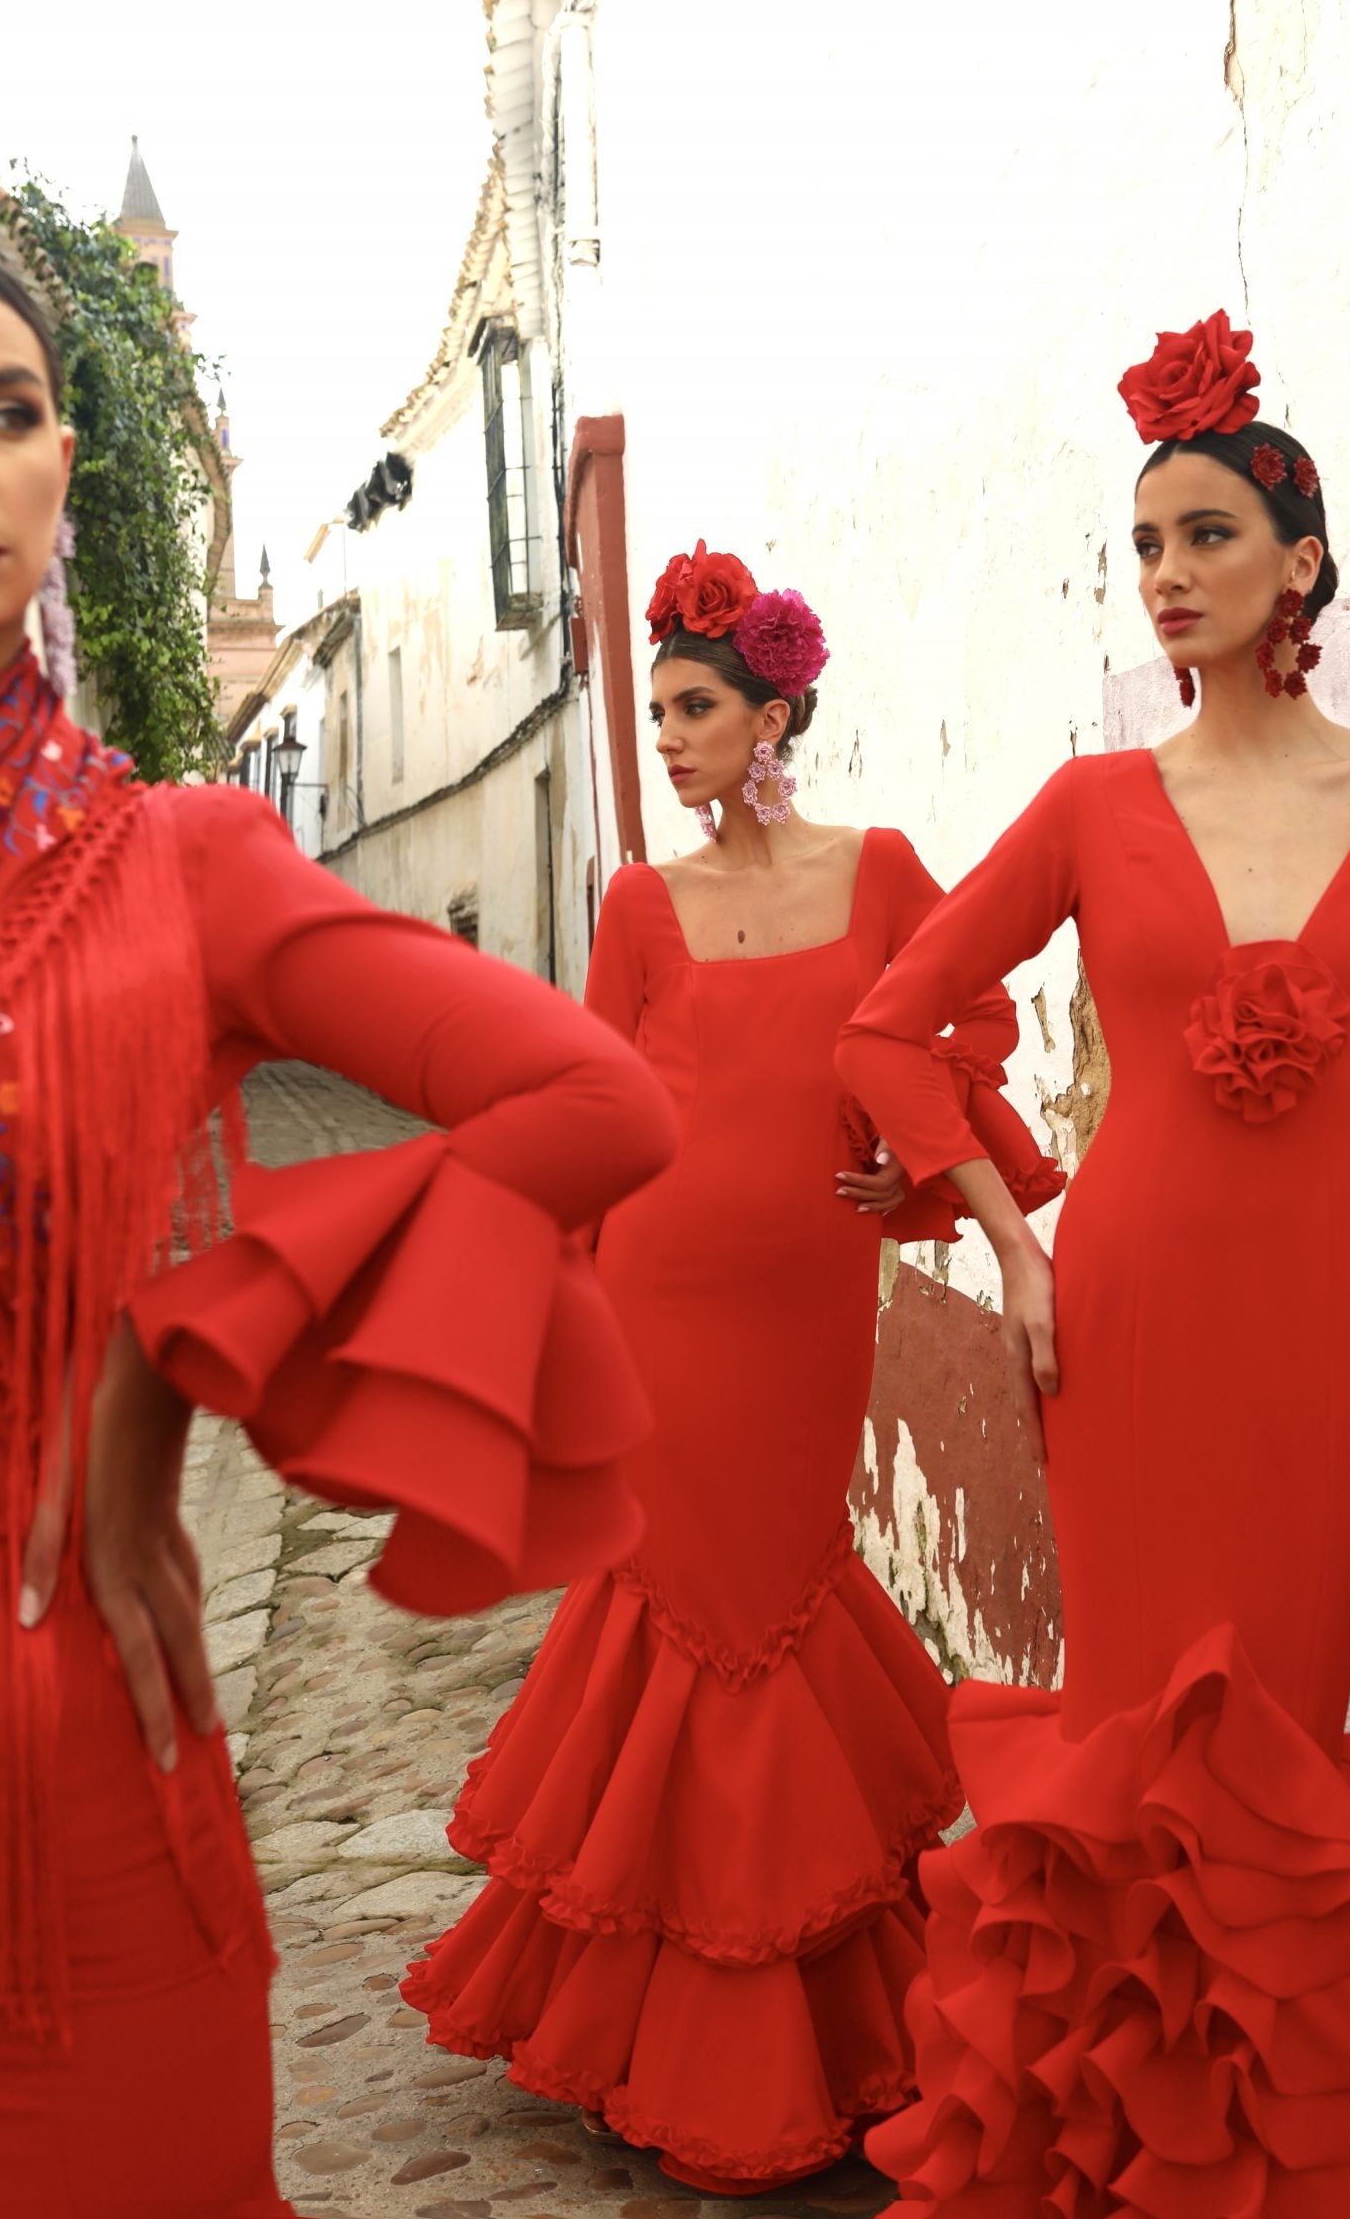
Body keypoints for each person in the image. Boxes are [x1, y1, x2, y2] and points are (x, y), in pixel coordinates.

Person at [0, 242, 677, 2216]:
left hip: (58, 1761)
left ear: (64, 462)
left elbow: (597, 1099)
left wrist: (165, 1343)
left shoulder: (181, 868)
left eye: (4, 412)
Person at [836, 313, 1350, 2216]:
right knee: (1134, 1733)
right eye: (1144, 544)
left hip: (1326, 1326)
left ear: (1301, 563)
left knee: (1276, 1728)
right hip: (1118, 1319)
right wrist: (1007, 1238)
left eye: (1205, 535)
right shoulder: (1089, 806)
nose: (1166, 575)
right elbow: (886, 1029)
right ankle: (1109, 2162)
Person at [403, 540, 1063, 2194]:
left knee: (781, 1582)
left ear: (771, 716)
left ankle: (814, 2002)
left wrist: (908, 1167)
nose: (669, 740)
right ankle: (680, 2025)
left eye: (693, 709)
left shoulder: (883, 871)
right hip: (663, 1298)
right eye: (657, 713)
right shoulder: (640, 902)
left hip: (807, 1304)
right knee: (682, 1596)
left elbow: (968, 1022)